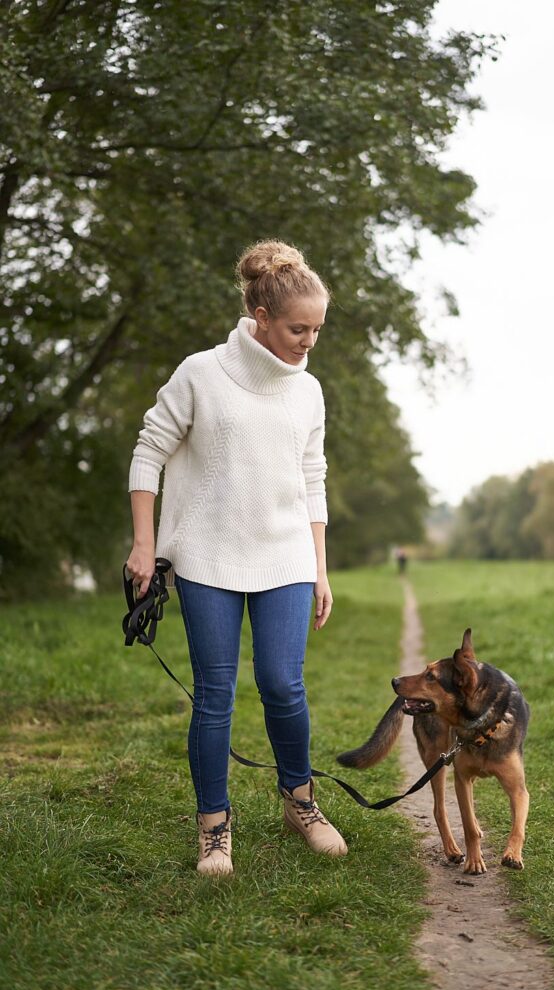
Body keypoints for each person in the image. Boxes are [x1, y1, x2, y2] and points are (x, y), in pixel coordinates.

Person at [125, 239, 347, 876]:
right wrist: (145, 545)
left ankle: (300, 802)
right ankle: (214, 828)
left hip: (286, 556)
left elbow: (312, 477)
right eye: (298, 329)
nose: (309, 342)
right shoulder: (200, 373)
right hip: (207, 556)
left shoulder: (309, 391)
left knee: (283, 684)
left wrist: (319, 567)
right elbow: (148, 451)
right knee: (215, 693)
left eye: (317, 330)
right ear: (261, 316)